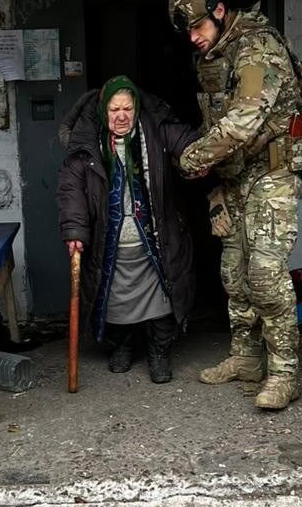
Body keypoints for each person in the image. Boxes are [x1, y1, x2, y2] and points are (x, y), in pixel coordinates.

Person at [168, 0, 302, 410]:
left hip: (271, 177)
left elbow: (242, 123)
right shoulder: (216, 55)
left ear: (219, 11)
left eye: (197, 27)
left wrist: (192, 160)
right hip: (235, 178)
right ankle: (246, 358)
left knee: (265, 276)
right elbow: (214, 122)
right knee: (234, 274)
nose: (194, 38)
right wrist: (215, 189)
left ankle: (284, 372)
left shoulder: (258, 50)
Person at [57, 75, 199, 383]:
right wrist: (74, 232)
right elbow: (71, 190)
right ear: (102, 111)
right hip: (110, 242)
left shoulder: (156, 131)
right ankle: (121, 347)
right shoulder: (87, 143)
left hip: (155, 238)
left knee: (162, 299)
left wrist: (209, 151)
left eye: (127, 109)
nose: (121, 116)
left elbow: (192, 145)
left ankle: (159, 351)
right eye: (114, 110)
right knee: (113, 300)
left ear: (136, 109)